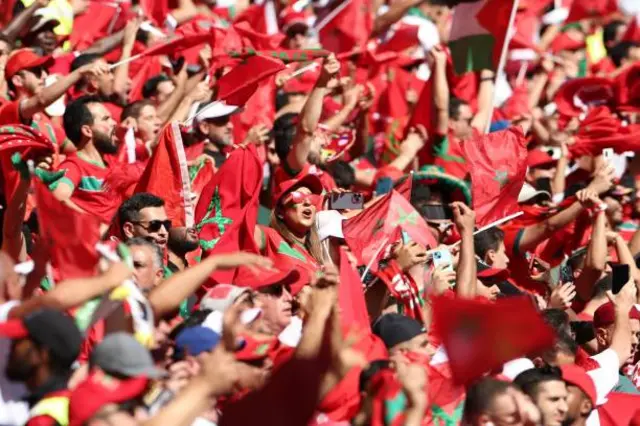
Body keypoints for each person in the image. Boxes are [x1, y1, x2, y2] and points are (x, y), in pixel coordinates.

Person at [1, 309, 82, 426]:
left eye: (18, 341)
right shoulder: (66, 402)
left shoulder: (42, 421)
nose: (10, 348)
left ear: (42, 354)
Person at [50, 96, 118, 218]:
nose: (114, 123)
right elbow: (57, 196)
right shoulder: (74, 166)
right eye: (106, 119)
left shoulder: (112, 164)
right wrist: (95, 225)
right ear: (87, 131)